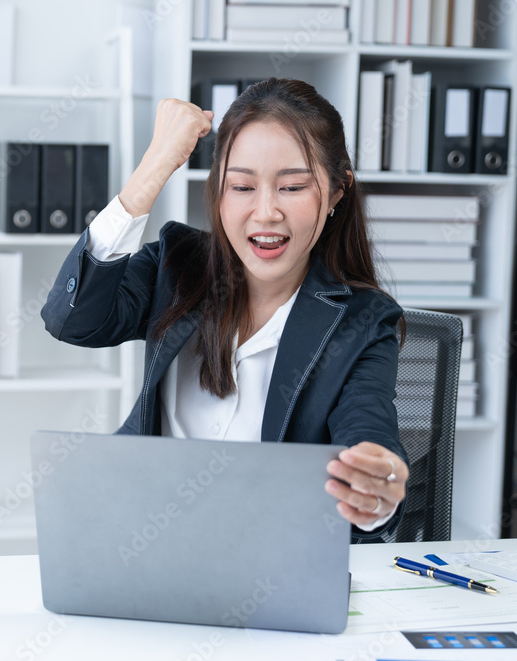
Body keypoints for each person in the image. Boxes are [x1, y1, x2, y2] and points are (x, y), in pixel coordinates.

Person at [40, 77, 409, 539]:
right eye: (241, 186)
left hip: (270, 565)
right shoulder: (176, 267)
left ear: (336, 193)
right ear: (218, 190)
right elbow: (71, 320)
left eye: (292, 187)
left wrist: (375, 491)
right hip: (138, 543)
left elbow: (369, 436)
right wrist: (155, 165)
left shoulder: (363, 320)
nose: (266, 211)